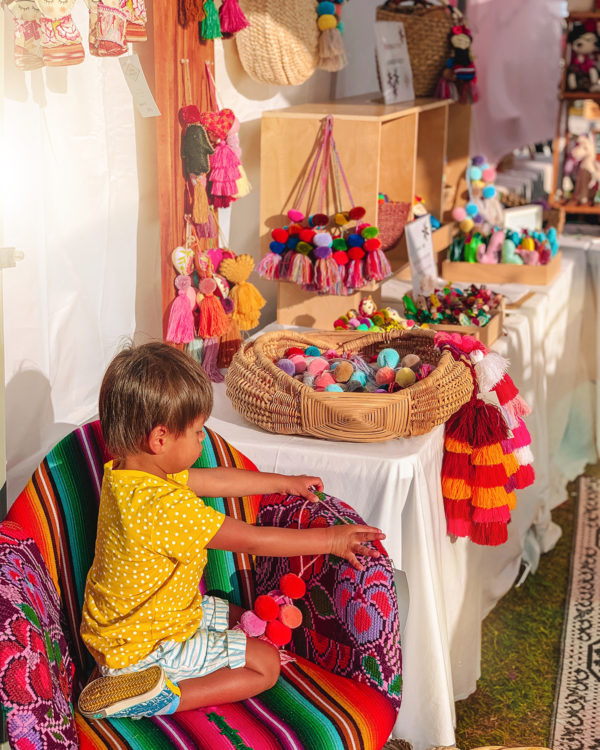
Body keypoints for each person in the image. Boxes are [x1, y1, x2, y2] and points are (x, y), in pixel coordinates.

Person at [78, 341, 385, 720]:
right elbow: (254, 540)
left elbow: (213, 480)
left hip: (127, 629)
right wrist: (332, 540)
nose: (203, 440)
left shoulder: (128, 474)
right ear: (159, 439)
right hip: (150, 646)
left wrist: (282, 483)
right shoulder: (166, 509)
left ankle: (118, 675)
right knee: (265, 664)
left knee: (243, 617)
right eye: (197, 432)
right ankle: (154, 696)